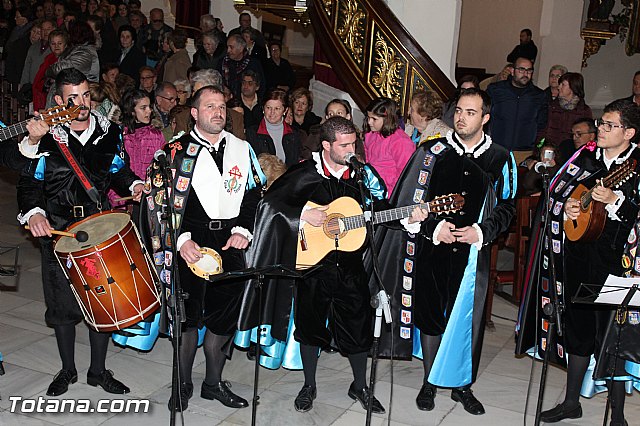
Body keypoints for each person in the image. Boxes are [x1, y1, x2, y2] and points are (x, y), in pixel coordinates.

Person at [239, 116, 412, 413]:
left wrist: (407, 217)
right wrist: (305, 213)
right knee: (310, 326)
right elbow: (270, 203)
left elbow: (378, 207)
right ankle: (309, 385)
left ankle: (359, 385)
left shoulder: (361, 175)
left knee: (358, 327)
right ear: (326, 145)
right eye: (343, 145)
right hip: (314, 266)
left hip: (350, 265)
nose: (350, 151)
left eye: (353, 144)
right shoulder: (305, 173)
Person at [375, 87, 517, 415]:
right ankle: (429, 380)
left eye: (471, 113)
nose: (462, 118)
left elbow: (507, 206)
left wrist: (481, 231)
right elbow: (409, 202)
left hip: (472, 255)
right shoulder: (431, 150)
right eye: (459, 111)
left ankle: (462, 385)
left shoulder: (500, 157)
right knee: (431, 314)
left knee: (467, 320)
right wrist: (432, 227)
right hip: (432, 248)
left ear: (485, 118)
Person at [17, 68, 144, 397]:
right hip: (59, 229)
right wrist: (34, 214)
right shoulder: (44, 138)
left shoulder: (109, 132)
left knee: (102, 297)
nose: (82, 103)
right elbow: (30, 183)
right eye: (73, 97)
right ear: (59, 101)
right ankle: (67, 369)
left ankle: (98, 371)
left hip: (98, 223)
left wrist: (134, 183)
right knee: (61, 302)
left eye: (86, 95)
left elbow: (118, 170)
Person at [513, 100, 640, 426]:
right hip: (578, 258)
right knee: (578, 331)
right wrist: (568, 209)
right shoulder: (583, 157)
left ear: (629, 132)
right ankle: (571, 401)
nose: (601, 129)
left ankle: (618, 416)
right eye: (602, 123)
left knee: (611, 338)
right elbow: (561, 196)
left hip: (616, 265)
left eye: (610, 126)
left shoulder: (637, 167)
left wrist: (615, 201)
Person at [143, 85, 264, 411]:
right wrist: (180, 240)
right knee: (188, 320)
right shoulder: (173, 151)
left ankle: (213, 383)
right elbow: (156, 204)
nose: (218, 112)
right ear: (194, 113)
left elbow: (255, 194)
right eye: (210, 106)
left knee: (223, 318)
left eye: (222, 106)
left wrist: (243, 230)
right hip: (190, 243)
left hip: (230, 242)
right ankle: (182, 384)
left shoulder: (242, 148)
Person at [107, 89, 165, 208]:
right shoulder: (118, 135)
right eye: (143, 108)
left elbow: (161, 169)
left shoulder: (156, 135)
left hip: (147, 197)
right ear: (132, 111)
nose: (149, 111)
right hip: (121, 198)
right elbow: (113, 169)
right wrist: (116, 199)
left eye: (149, 107)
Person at [486, 57, 547, 164]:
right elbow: (485, 116)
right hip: (496, 148)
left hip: (524, 152)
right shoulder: (496, 90)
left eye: (529, 70)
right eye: (521, 70)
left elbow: (542, 124)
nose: (525, 73)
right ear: (513, 71)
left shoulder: (539, 95)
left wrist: (536, 148)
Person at [363, 97, 415, 196]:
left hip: (389, 194)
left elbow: (405, 174)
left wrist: (389, 195)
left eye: (374, 119)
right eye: (368, 117)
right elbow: (367, 162)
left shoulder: (401, 141)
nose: (369, 122)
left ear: (387, 119)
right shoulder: (370, 135)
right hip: (371, 190)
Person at [246, 88, 301, 167]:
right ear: (263, 109)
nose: (272, 112)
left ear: (285, 111)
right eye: (268, 108)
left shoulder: (294, 133)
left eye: (277, 108)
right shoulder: (252, 133)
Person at [543, 72, 593, 146]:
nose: (558, 87)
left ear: (573, 88)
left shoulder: (584, 111)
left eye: (563, 85)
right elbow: (543, 130)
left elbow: (587, 135)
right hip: (552, 148)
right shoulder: (552, 106)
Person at [217, 34, 265, 100]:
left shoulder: (254, 64)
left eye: (231, 47)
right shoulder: (222, 63)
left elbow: (261, 85)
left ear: (241, 48)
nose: (228, 50)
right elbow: (217, 82)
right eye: (227, 47)